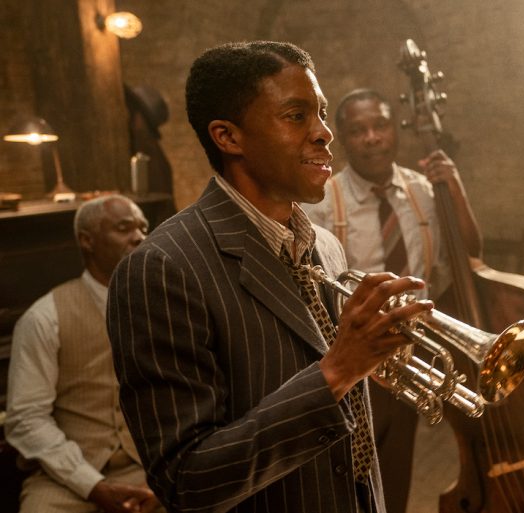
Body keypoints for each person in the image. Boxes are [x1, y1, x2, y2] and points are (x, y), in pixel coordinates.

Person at [106, 41, 432, 513]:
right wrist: (338, 370)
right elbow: (186, 481)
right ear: (228, 137)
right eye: (296, 116)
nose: (325, 134)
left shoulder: (325, 245)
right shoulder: (160, 268)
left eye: (320, 114)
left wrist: (375, 355)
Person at [302, 88, 482, 513]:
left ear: (394, 131)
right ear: (342, 140)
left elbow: (469, 253)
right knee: (348, 468)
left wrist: (452, 186)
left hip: (407, 355)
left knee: (395, 473)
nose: (371, 138)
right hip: (349, 356)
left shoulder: (422, 190)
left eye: (380, 126)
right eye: (357, 130)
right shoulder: (323, 199)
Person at [5, 194, 159, 513]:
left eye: (144, 228)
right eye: (124, 227)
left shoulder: (166, 308)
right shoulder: (44, 317)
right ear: (87, 240)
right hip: (66, 477)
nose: (139, 237)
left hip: (155, 469)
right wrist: (91, 485)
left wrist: (165, 477)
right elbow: (26, 419)